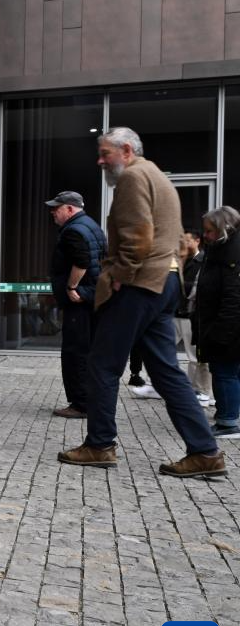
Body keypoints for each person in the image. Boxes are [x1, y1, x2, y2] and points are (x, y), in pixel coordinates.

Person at [57, 127, 225, 478]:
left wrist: (121, 274)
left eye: (106, 153)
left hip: (139, 284)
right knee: (166, 372)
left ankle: (100, 445)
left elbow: (138, 237)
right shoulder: (157, 177)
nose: (100, 161)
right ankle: (205, 451)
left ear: (127, 150)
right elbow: (167, 237)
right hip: (163, 282)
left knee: (102, 365)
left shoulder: (133, 178)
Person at [46, 191, 106, 419]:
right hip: (92, 296)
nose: (53, 212)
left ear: (70, 209)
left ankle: (80, 404)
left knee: (75, 352)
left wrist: (72, 288)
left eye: (57, 208)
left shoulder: (73, 230)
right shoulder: (92, 226)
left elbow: (82, 261)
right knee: (87, 351)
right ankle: (89, 400)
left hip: (80, 301)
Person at [195, 207, 240, 440]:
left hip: (226, 327)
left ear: (224, 228)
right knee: (228, 372)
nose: (205, 235)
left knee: (224, 372)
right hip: (223, 324)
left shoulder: (230, 254)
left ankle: (228, 421)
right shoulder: (222, 249)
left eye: (209, 231)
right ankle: (229, 414)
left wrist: (220, 332)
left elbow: (233, 297)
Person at [176, 228, 214, 405]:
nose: (184, 243)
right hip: (177, 311)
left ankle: (199, 390)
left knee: (195, 356)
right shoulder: (183, 258)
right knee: (163, 347)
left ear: (197, 241)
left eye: (187, 240)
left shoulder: (202, 260)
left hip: (190, 313)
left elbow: (194, 287)